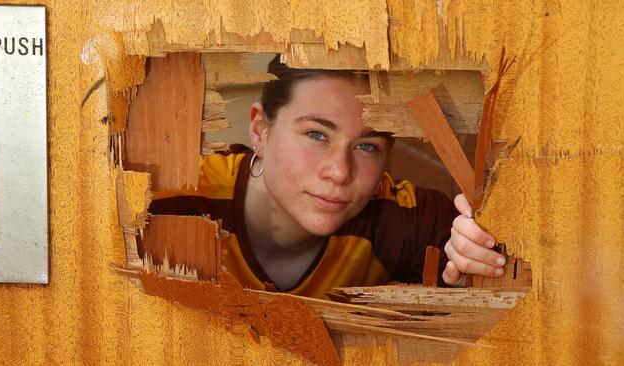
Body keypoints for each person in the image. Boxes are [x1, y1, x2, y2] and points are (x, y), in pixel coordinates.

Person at [150, 57, 506, 298]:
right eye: (317, 135)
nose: (339, 172)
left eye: (366, 146)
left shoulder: (403, 218)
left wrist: (474, 248)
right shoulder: (170, 199)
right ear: (260, 130)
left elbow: (487, 255)